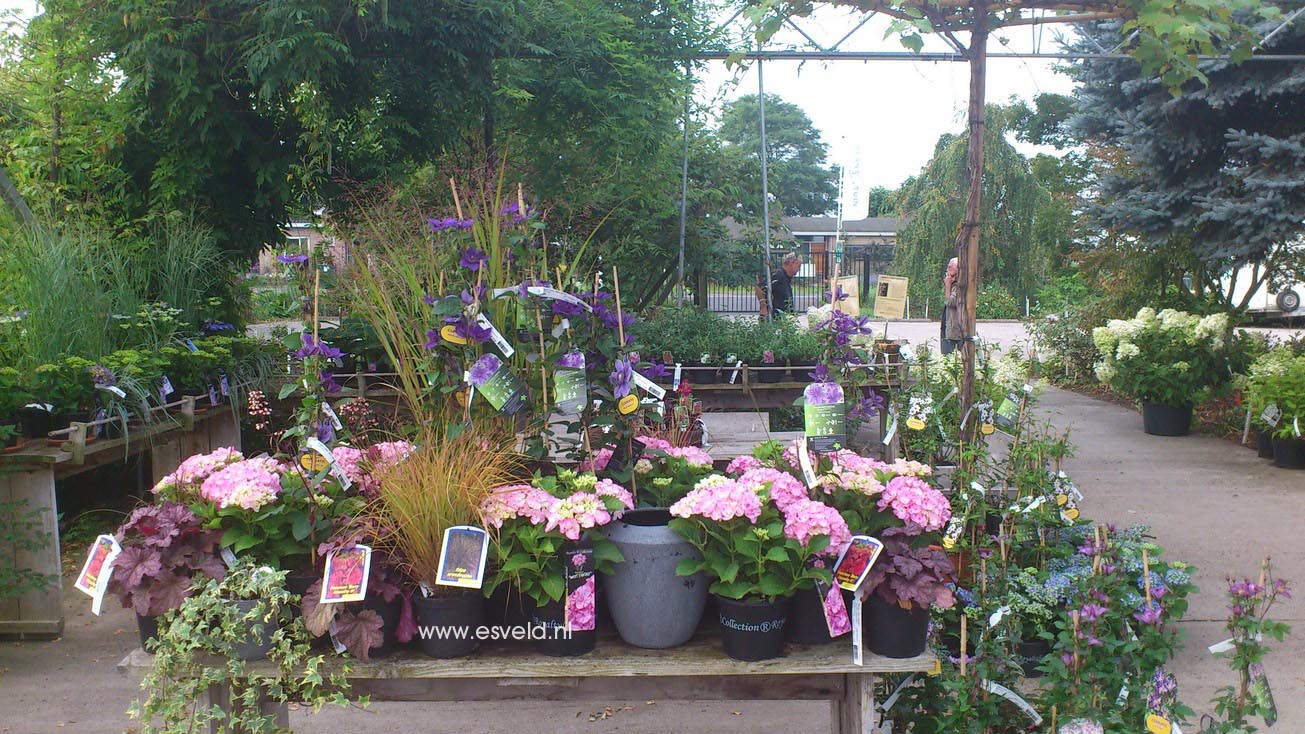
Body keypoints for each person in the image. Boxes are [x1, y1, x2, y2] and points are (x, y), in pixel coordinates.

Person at [940, 257, 963, 354]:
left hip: (956, 329)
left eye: (950, 267)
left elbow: (951, 302)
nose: (947, 270)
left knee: (950, 354)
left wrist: (948, 285)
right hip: (948, 325)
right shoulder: (954, 285)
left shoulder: (960, 286)